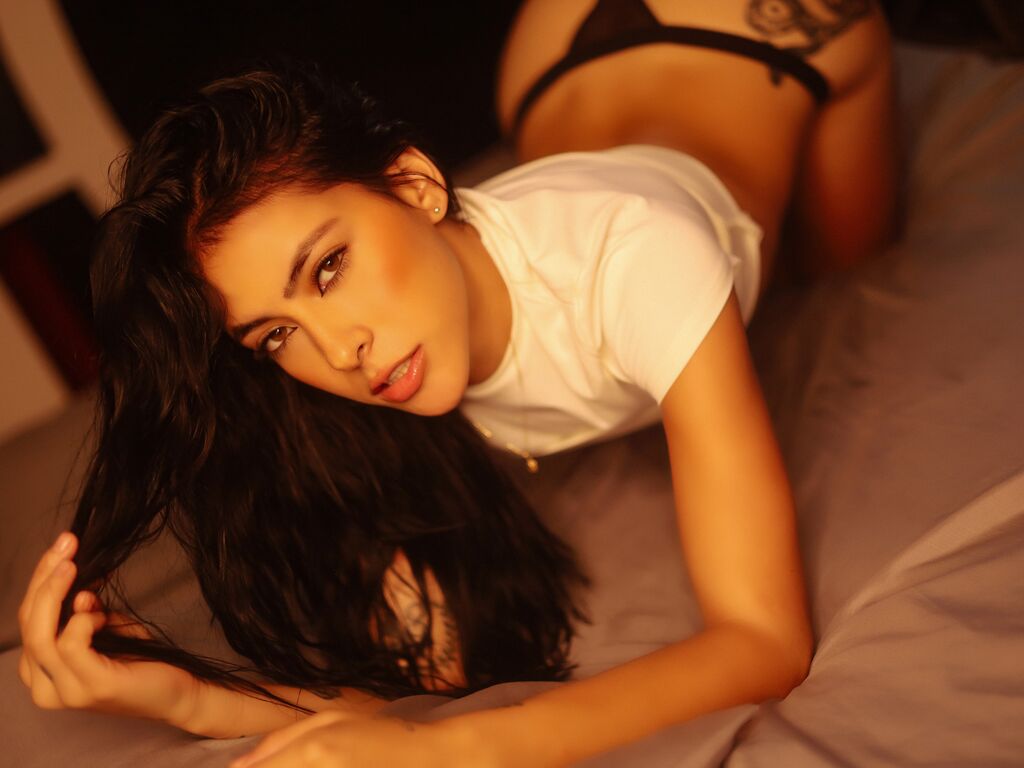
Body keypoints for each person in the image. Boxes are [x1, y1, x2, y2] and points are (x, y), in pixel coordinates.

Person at [17, 0, 898, 765]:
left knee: (844, 261)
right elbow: (402, 701)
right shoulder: (361, 380)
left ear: (416, 185)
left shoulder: (642, 261)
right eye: (275, 333)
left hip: (761, 33)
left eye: (328, 267)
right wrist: (179, 695)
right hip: (549, 69)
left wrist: (451, 753)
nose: (341, 351)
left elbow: (763, 643)